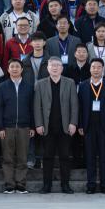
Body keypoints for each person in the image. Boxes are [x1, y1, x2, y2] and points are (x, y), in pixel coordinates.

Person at [33, 58, 78, 193]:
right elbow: (37, 106)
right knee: (47, 157)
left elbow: (74, 105)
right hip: (47, 127)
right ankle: (46, 185)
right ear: (48, 68)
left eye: (58, 65)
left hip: (65, 127)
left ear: (62, 68)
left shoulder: (70, 83)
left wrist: (73, 123)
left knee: (65, 157)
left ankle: (65, 185)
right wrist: (39, 124)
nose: (55, 68)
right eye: (52, 65)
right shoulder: (40, 84)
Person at [77, 58, 105, 194]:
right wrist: (80, 124)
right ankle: (91, 185)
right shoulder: (83, 85)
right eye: (93, 67)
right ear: (90, 69)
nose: (96, 70)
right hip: (88, 126)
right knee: (90, 157)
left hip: (104, 126)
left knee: (104, 157)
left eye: (99, 67)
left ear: (103, 69)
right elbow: (79, 107)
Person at [0, 58, 35, 193]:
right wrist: (0, 127)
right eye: (12, 67)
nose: (14, 69)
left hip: (24, 127)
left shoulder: (28, 87)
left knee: (22, 158)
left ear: (22, 69)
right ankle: (9, 184)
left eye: (17, 67)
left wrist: (32, 126)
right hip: (7, 127)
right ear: (8, 69)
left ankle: (20, 184)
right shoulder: (3, 86)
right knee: (7, 158)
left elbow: (32, 108)